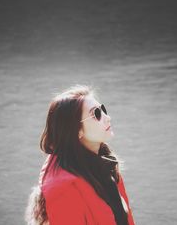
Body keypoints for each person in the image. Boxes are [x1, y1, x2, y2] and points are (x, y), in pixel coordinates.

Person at [25, 84, 135, 225]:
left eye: (103, 110)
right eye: (96, 114)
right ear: (76, 130)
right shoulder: (64, 190)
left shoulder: (104, 161)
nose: (107, 117)